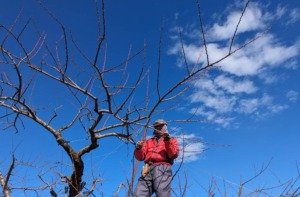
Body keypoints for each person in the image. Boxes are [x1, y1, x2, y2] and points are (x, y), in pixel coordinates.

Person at [133, 119, 179, 197]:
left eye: (160, 126)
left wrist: (167, 141)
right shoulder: (148, 141)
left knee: (162, 194)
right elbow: (140, 157)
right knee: (138, 194)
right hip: (147, 168)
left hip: (163, 167)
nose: (158, 128)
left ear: (165, 127)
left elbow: (173, 154)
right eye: (156, 127)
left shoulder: (172, 140)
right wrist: (138, 148)